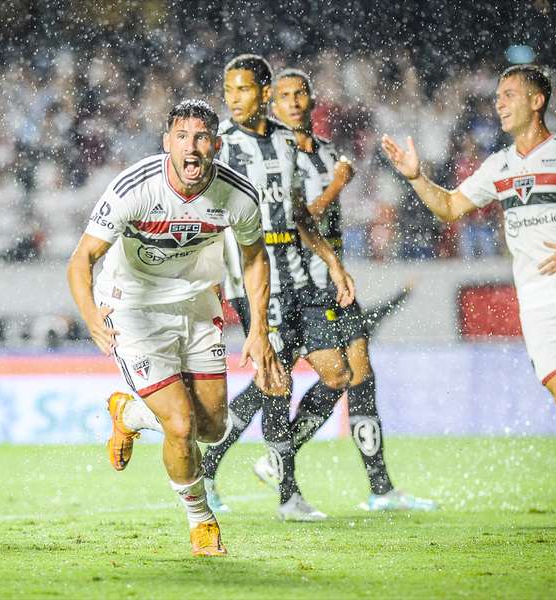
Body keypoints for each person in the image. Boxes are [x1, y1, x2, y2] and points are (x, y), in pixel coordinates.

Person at [382, 64, 556, 521]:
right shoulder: (499, 166)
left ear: (536, 101)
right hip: (537, 300)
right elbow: (449, 206)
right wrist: (415, 177)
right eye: (498, 97)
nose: (499, 104)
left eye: (509, 95)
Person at [67, 99, 285, 556]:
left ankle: (128, 413)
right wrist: (91, 316)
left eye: (201, 138)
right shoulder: (135, 188)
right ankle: (201, 522)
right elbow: (81, 260)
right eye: (182, 137)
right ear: (167, 142)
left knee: (212, 428)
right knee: (181, 426)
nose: (192, 148)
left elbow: (253, 258)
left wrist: (259, 329)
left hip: (198, 304)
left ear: (216, 145)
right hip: (134, 311)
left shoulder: (238, 195)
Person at [250, 68, 436, 512]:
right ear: (271, 105)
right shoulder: (276, 155)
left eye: (301, 94)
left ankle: (381, 489)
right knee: (286, 380)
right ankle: (274, 466)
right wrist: (337, 185)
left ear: (313, 100)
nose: (294, 103)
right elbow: (293, 221)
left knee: (360, 375)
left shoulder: (329, 151)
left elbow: (327, 220)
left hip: (333, 277)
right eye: (284, 96)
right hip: (295, 282)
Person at [199, 54, 358, 521]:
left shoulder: (288, 141)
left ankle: (222, 463)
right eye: (228, 90)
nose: (233, 98)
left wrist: (332, 261)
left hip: (300, 274)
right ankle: (288, 495)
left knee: (337, 375)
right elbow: (207, 216)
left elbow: (298, 213)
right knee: (276, 382)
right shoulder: (221, 145)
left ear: (264, 92)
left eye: (243, 89)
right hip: (252, 281)